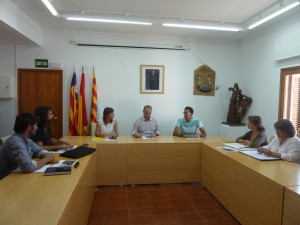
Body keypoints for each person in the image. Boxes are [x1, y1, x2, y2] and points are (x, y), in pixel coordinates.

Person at [0, 113, 57, 179]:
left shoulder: (26, 139)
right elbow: (29, 167)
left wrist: (46, 155)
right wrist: (47, 159)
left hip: (19, 174)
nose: (37, 128)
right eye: (35, 125)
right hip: (7, 179)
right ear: (29, 127)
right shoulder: (15, 142)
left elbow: (39, 150)